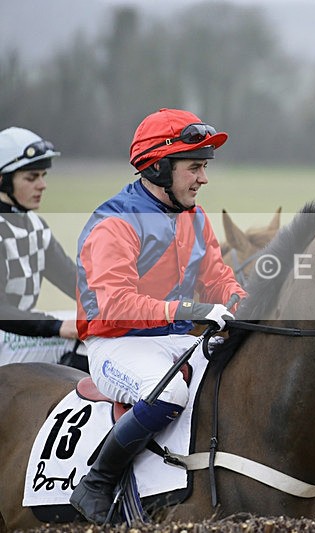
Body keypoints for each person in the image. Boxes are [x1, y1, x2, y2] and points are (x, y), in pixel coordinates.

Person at [69, 108, 247, 523]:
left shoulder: (196, 218)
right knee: (168, 394)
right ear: (159, 166)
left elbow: (219, 279)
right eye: (195, 167)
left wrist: (241, 302)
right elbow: (114, 302)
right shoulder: (114, 222)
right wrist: (191, 309)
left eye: (204, 167)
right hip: (117, 343)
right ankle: (97, 481)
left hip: (177, 339)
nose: (203, 178)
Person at [0, 127, 85, 368]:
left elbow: (74, 281)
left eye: (43, 175)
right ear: (2, 180)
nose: (42, 185)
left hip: (14, 334)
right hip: (5, 335)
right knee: (89, 338)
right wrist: (58, 327)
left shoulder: (35, 225)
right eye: (31, 177)